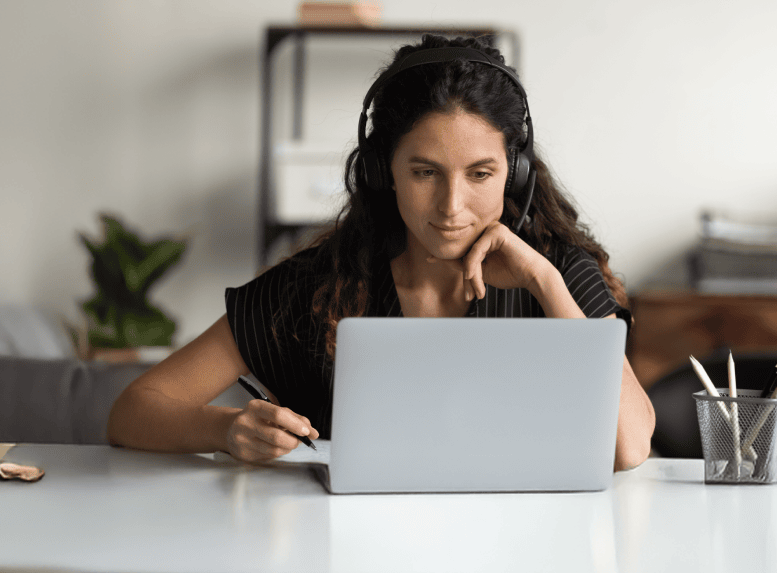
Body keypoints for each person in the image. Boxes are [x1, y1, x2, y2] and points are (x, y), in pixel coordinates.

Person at [107, 35, 656, 471]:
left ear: (515, 174)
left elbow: (629, 447)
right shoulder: (320, 285)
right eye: (424, 173)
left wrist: (544, 282)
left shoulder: (556, 271)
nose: (452, 205)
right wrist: (224, 429)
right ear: (381, 172)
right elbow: (134, 410)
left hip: (524, 560)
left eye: (481, 174)